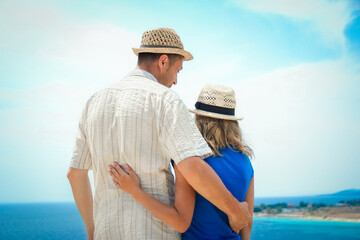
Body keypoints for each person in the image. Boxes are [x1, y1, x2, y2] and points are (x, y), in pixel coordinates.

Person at [67, 28, 251, 240]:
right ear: (163, 61)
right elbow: (192, 167)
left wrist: (92, 231)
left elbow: (75, 174)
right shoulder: (166, 100)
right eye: (178, 71)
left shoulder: (93, 102)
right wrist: (235, 210)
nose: (175, 81)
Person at [109, 84, 254, 240]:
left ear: (198, 118)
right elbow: (247, 222)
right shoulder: (246, 162)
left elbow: (180, 221)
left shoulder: (190, 159)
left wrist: (135, 191)